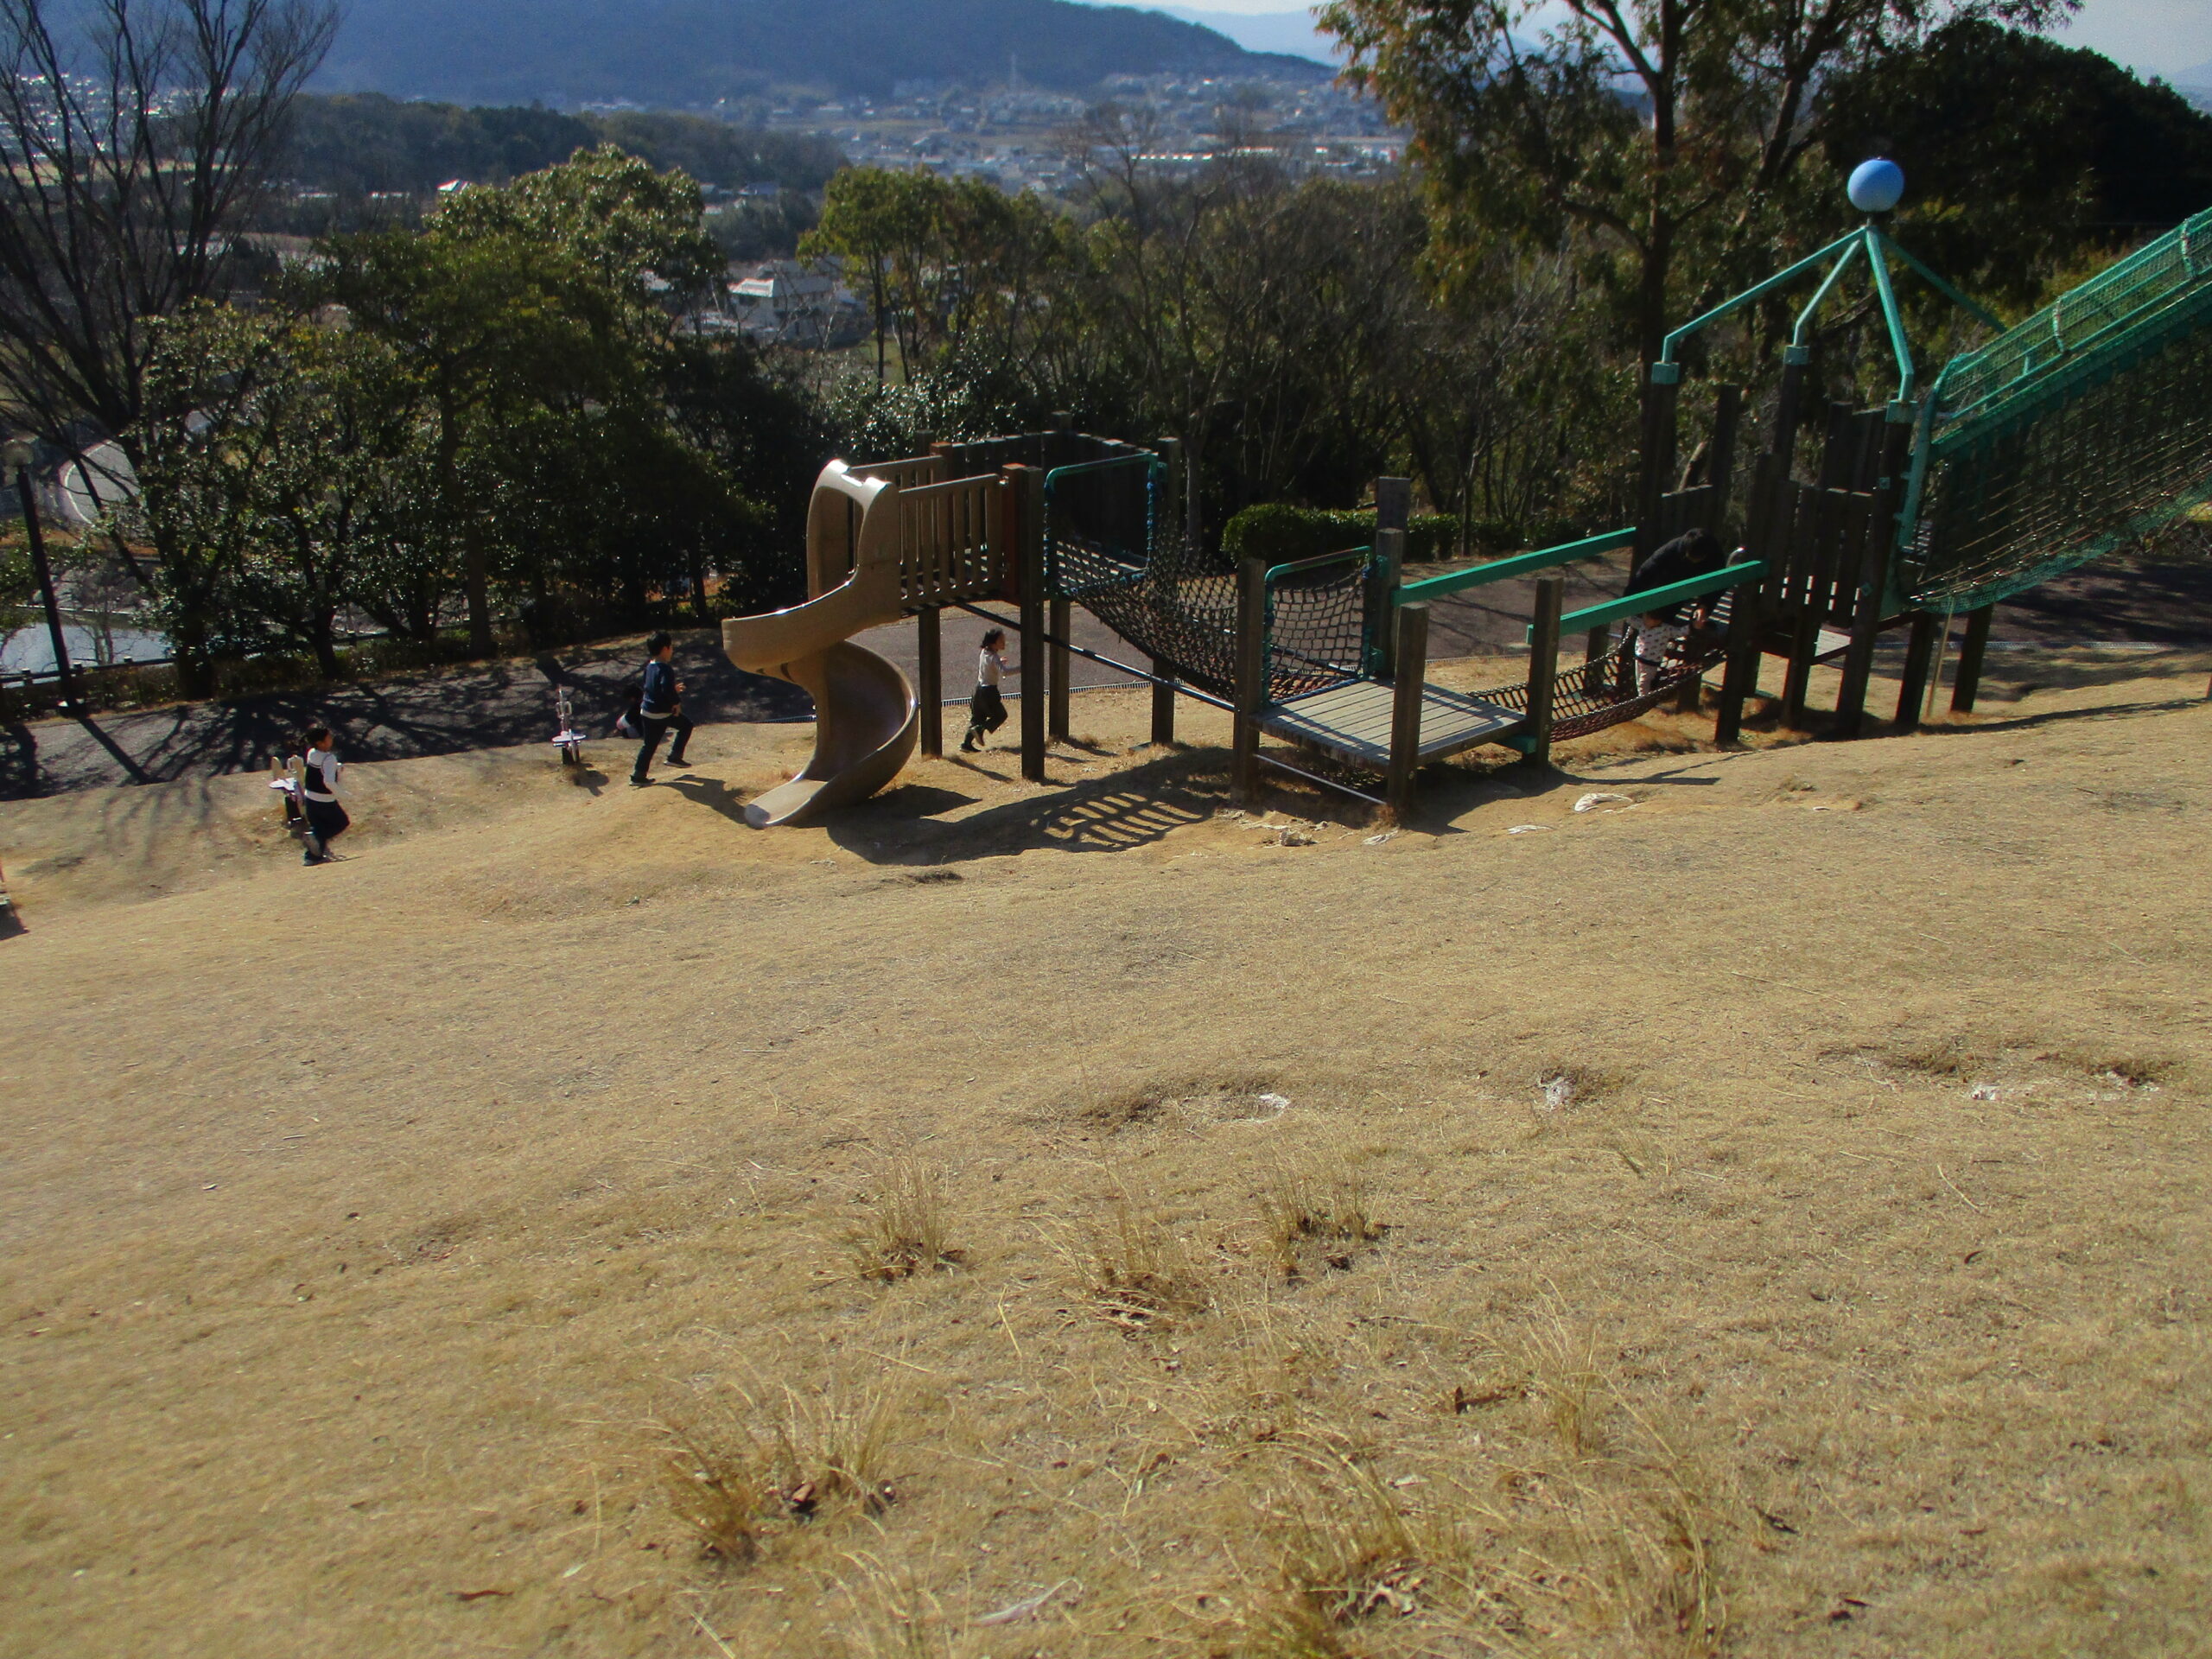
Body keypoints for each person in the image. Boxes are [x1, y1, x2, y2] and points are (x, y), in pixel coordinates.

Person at [1622, 527, 1726, 694]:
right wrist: (1628, 601)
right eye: (1691, 558)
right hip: (1668, 585)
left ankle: (1645, 695)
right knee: (1642, 675)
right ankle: (1645, 692)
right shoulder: (1670, 551)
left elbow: (1718, 584)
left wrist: (1704, 605)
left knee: (1645, 679)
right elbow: (1644, 573)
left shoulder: (1716, 557)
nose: (1694, 561)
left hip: (1685, 591)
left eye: (1697, 559)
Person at [631, 631, 693, 785]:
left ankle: (638, 775)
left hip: (647, 711)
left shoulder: (649, 667)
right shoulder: (665, 668)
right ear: (665, 649)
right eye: (671, 647)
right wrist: (676, 702)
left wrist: (672, 689)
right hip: (661, 713)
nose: (672, 650)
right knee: (686, 726)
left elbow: (651, 687)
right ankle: (675, 757)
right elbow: (665, 688)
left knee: (649, 744)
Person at [298, 725, 349, 865]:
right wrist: (343, 794)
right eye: (328, 737)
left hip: (310, 798)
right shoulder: (329, 758)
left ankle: (312, 857)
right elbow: (328, 781)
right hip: (325, 800)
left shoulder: (311, 753)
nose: (331, 739)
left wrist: (336, 767)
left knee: (319, 827)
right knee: (341, 823)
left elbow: (319, 771)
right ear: (320, 742)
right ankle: (314, 839)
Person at [960, 626, 1014, 753]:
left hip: (978, 690)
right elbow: (1004, 672)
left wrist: (999, 662)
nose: (1004, 642)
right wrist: (1023, 668)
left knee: (978, 717)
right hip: (989, 692)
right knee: (1000, 715)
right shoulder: (994, 657)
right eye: (1001, 640)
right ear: (993, 642)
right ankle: (980, 729)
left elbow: (989, 665)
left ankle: (966, 744)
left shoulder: (984, 652)